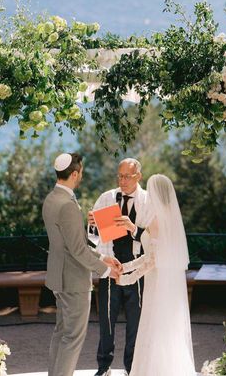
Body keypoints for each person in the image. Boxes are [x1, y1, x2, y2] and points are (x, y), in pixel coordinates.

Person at [42, 152, 122, 376]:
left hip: (59, 277)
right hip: (74, 281)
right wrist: (106, 270)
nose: (81, 177)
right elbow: (77, 249)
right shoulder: (67, 205)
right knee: (72, 338)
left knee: (61, 333)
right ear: (75, 173)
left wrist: (102, 258)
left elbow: (70, 245)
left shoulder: (51, 198)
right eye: (81, 173)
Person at [116, 174, 195, 376]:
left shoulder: (155, 219)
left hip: (157, 283)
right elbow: (153, 255)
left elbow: (151, 260)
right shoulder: (171, 218)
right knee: (167, 329)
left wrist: (127, 277)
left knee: (154, 328)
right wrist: (125, 267)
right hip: (167, 284)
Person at [88, 158, 152, 376]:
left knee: (135, 323)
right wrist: (93, 225)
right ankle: (104, 367)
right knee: (106, 322)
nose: (122, 180)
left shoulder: (149, 201)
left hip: (137, 271)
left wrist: (133, 227)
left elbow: (154, 239)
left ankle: (131, 368)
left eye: (128, 176)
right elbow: (92, 238)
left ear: (138, 177)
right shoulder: (106, 198)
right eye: (120, 176)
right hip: (110, 269)